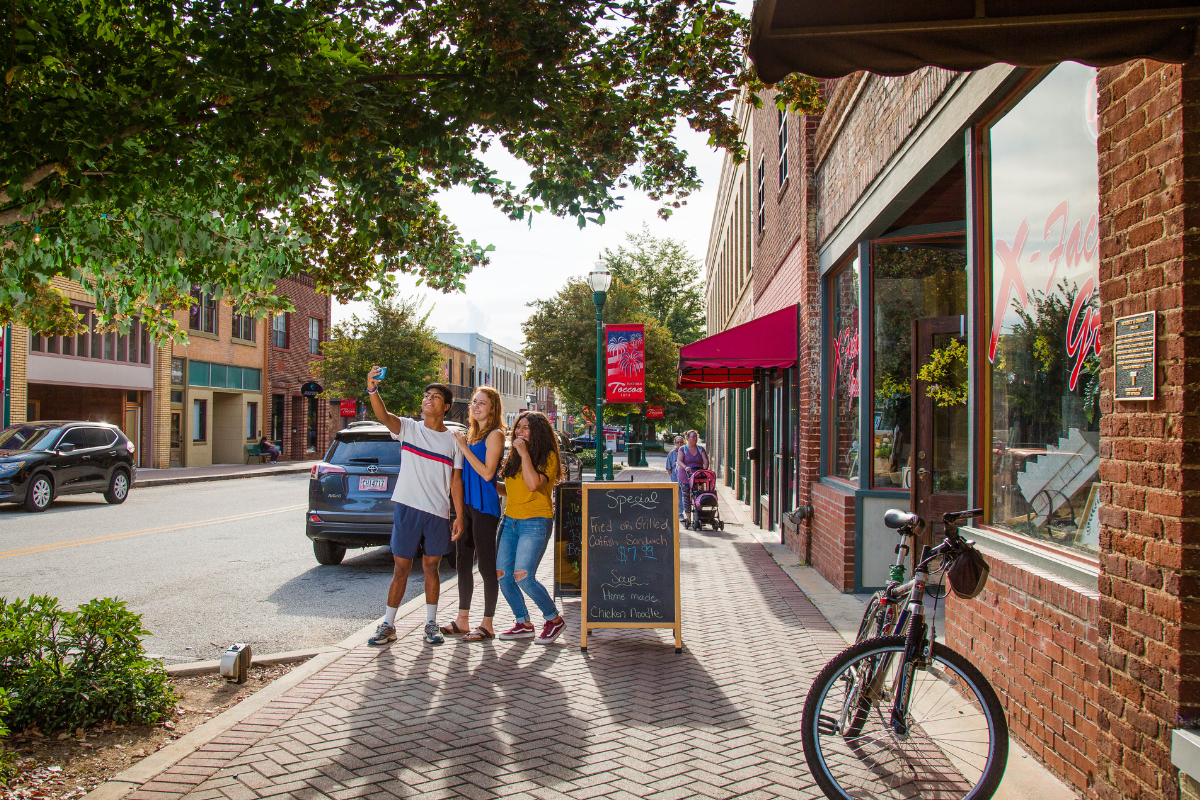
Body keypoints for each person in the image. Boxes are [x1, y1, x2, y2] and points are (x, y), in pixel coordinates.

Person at [364, 368, 465, 647]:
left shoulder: (454, 440)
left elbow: (456, 482)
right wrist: (373, 389)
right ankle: (388, 625)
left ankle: (430, 624)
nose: (428, 400)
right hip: (408, 509)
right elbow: (383, 416)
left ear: (445, 407)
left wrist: (460, 517)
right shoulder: (409, 428)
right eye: (426, 396)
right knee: (401, 569)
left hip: (437, 512)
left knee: (431, 567)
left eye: (435, 397)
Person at [495, 411, 567, 644]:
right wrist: (486, 482)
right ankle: (523, 623)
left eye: (526, 428)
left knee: (524, 577)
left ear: (537, 432)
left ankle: (553, 619)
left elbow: (534, 484)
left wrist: (524, 454)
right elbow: (512, 490)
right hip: (509, 521)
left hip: (535, 521)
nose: (519, 432)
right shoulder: (514, 456)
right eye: (518, 427)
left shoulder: (548, 456)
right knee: (503, 575)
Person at [441, 387, 506, 642]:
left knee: (487, 567)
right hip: (466, 506)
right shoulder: (471, 435)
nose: (476, 407)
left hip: (485, 508)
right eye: (474, 403)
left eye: (482, 403)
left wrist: (464, 447)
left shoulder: (495, 435)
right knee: (463, 563)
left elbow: (488, 473)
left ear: (492, 408)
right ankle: (462, 620)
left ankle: (488, 624)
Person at [676, 430, 708, 524]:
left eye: (695, 437)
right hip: (685, 476)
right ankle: (689, 518)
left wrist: (704, 469)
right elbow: (679, 461)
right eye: (692, 436)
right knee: (686, 496)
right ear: (687, 438)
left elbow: (705, 460)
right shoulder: (683, 449)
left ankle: (698, 517)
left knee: (698, 495)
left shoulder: (701, 449)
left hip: (698, 476)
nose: (694, 438)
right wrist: (685, 467)